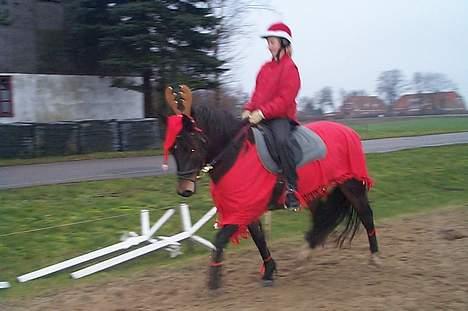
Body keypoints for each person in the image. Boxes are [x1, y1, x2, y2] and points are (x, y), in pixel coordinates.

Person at [242, 22, 301, 210]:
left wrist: (263, 112)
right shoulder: (265, 68)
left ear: (284, 43)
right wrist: (248, 108)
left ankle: (292, 189)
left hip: (280, 118)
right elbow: (257, 94)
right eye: (268, 42)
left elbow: (285, 99)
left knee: (282, 142)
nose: (269, 45)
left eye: (272, 42)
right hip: (260, 115)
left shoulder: (290, 68)